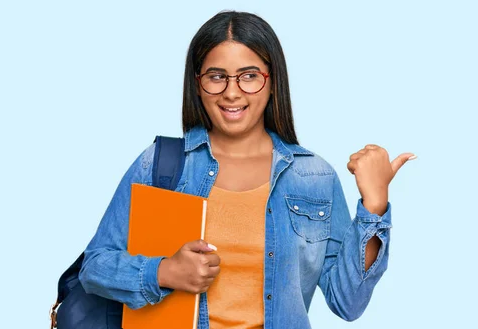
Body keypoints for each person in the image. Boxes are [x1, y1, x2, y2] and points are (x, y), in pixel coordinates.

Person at [79, 10, 415, 329]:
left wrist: (374, 205)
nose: (232, 92)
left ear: (271, 83)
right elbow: (94, 267)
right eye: (217, 77)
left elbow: (347, 302)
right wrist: (163, 272)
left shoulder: (314, 177)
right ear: (198, 84)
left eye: (249, 76)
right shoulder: (163, 164)